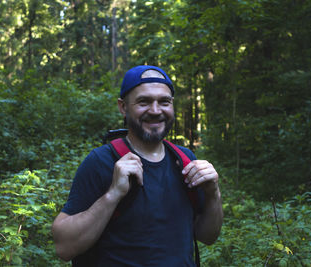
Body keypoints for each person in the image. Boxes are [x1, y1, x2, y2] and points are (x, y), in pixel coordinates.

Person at [52, 65, 223, 266]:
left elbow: (207, 236)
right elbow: (64, 246)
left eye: (164, 102)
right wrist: (113, 194)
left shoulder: (184, 159)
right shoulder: (101, 162)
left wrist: (213, 193)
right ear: (123, 107)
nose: (155, 110)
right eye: (144, 102)